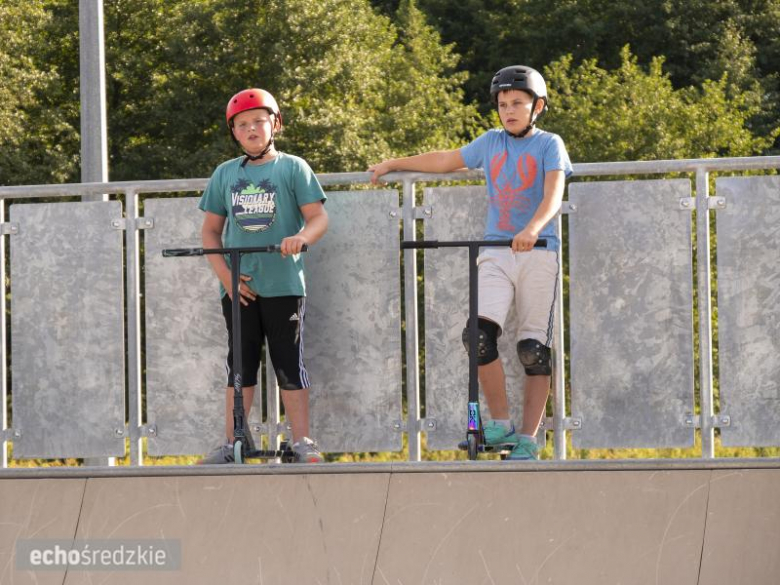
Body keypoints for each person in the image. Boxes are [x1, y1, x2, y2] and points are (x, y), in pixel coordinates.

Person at [368, 65, 572, 460]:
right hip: (496, 251)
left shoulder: (550, 144)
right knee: (477, 336)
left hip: (539, 251)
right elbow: (447, 159)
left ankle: (528, 439)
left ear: (538, 106)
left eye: (517, 103)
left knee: (533, 349)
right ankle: (501, 424)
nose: (508, 110)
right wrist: (394, 163)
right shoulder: (491, 142)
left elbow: (553, 194)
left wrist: (532, 228)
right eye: (503, 104)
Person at [198, 88, 328, 464]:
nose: (251, 129)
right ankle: (234, 442)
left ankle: (301, 441)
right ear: (234, 132)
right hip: (239, 288)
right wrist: (226, 277)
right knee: (240, 364)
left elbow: (318, 217)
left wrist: (302, 238)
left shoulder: (293, 167)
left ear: (276, 124)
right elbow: (210, 232)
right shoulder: (225, 174)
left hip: (284, 284)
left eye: (259, 121)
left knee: (288, 362)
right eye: (242, 124)